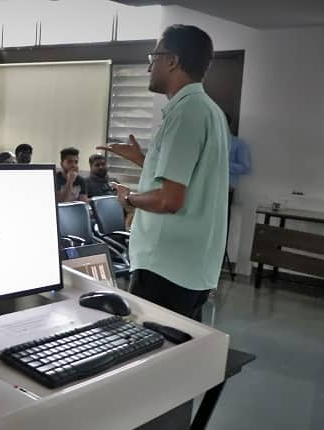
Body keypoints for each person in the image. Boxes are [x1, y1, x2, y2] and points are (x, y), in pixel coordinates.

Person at [99, 25, 228, 322]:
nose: (148, 66)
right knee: (178, 355)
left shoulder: (184, 114)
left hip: (165, 266)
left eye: (153, 56)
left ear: (172, 60)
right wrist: (143, 160)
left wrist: (129, 198)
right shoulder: (210, 111)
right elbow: (190, 180)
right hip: (192, 267)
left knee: (151, 355)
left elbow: (170, 200)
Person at [225, 113, 251, 214]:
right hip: (206, 187)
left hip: (226, 189)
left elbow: (245, 168)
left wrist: (224, 164)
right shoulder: (209, 142)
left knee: (223, 220)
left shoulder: (239, 144)